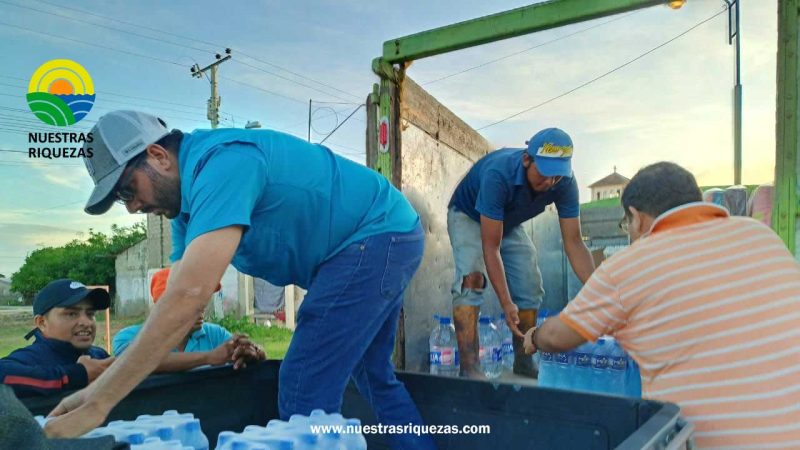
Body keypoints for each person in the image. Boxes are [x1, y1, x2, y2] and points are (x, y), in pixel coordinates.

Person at [46, 110, 434, 449]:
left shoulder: (225, 163)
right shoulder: (186, 211)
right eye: (121, 199)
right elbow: (174, 298)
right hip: (382, 236)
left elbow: (188, 297)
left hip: (374, 235)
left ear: (158, 156)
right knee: (372, 373)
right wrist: (98, 387)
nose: (132, 207)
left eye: (128, 190)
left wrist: (100, 402)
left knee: (303, 387)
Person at [524, 162, 800, 449]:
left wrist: (534, 337)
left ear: (636, 218)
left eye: (626, 224)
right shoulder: (760, 236)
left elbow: (557, 336)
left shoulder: (632, 264)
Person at [447, 127, 594, 378]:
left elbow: (574, 243)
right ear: (527, 159)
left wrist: (601, 291)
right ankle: (470, 369)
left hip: (508, 221)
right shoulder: (498, 174)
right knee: (472, 280)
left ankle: (524, 361)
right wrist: (506, 303)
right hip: (468, 215)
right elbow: (491, 247)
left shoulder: (565, 183)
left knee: (529, 285)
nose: (550, 183)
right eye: (545, 173)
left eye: (557, 176)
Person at [113, 268, 265, 372]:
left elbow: (244, 354)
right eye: (191, 301)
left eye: (203, 298)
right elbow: (136, 362)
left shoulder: (215, 335)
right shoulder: (129, 337)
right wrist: (208, 358)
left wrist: (254, 354)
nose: (201, 306)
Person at [0, 279, 114, 397]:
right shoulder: (30, 359)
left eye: (90, 314)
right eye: (72, 314)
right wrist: (77, 375)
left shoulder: (99, 355)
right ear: (42, 323)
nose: (86, 322)